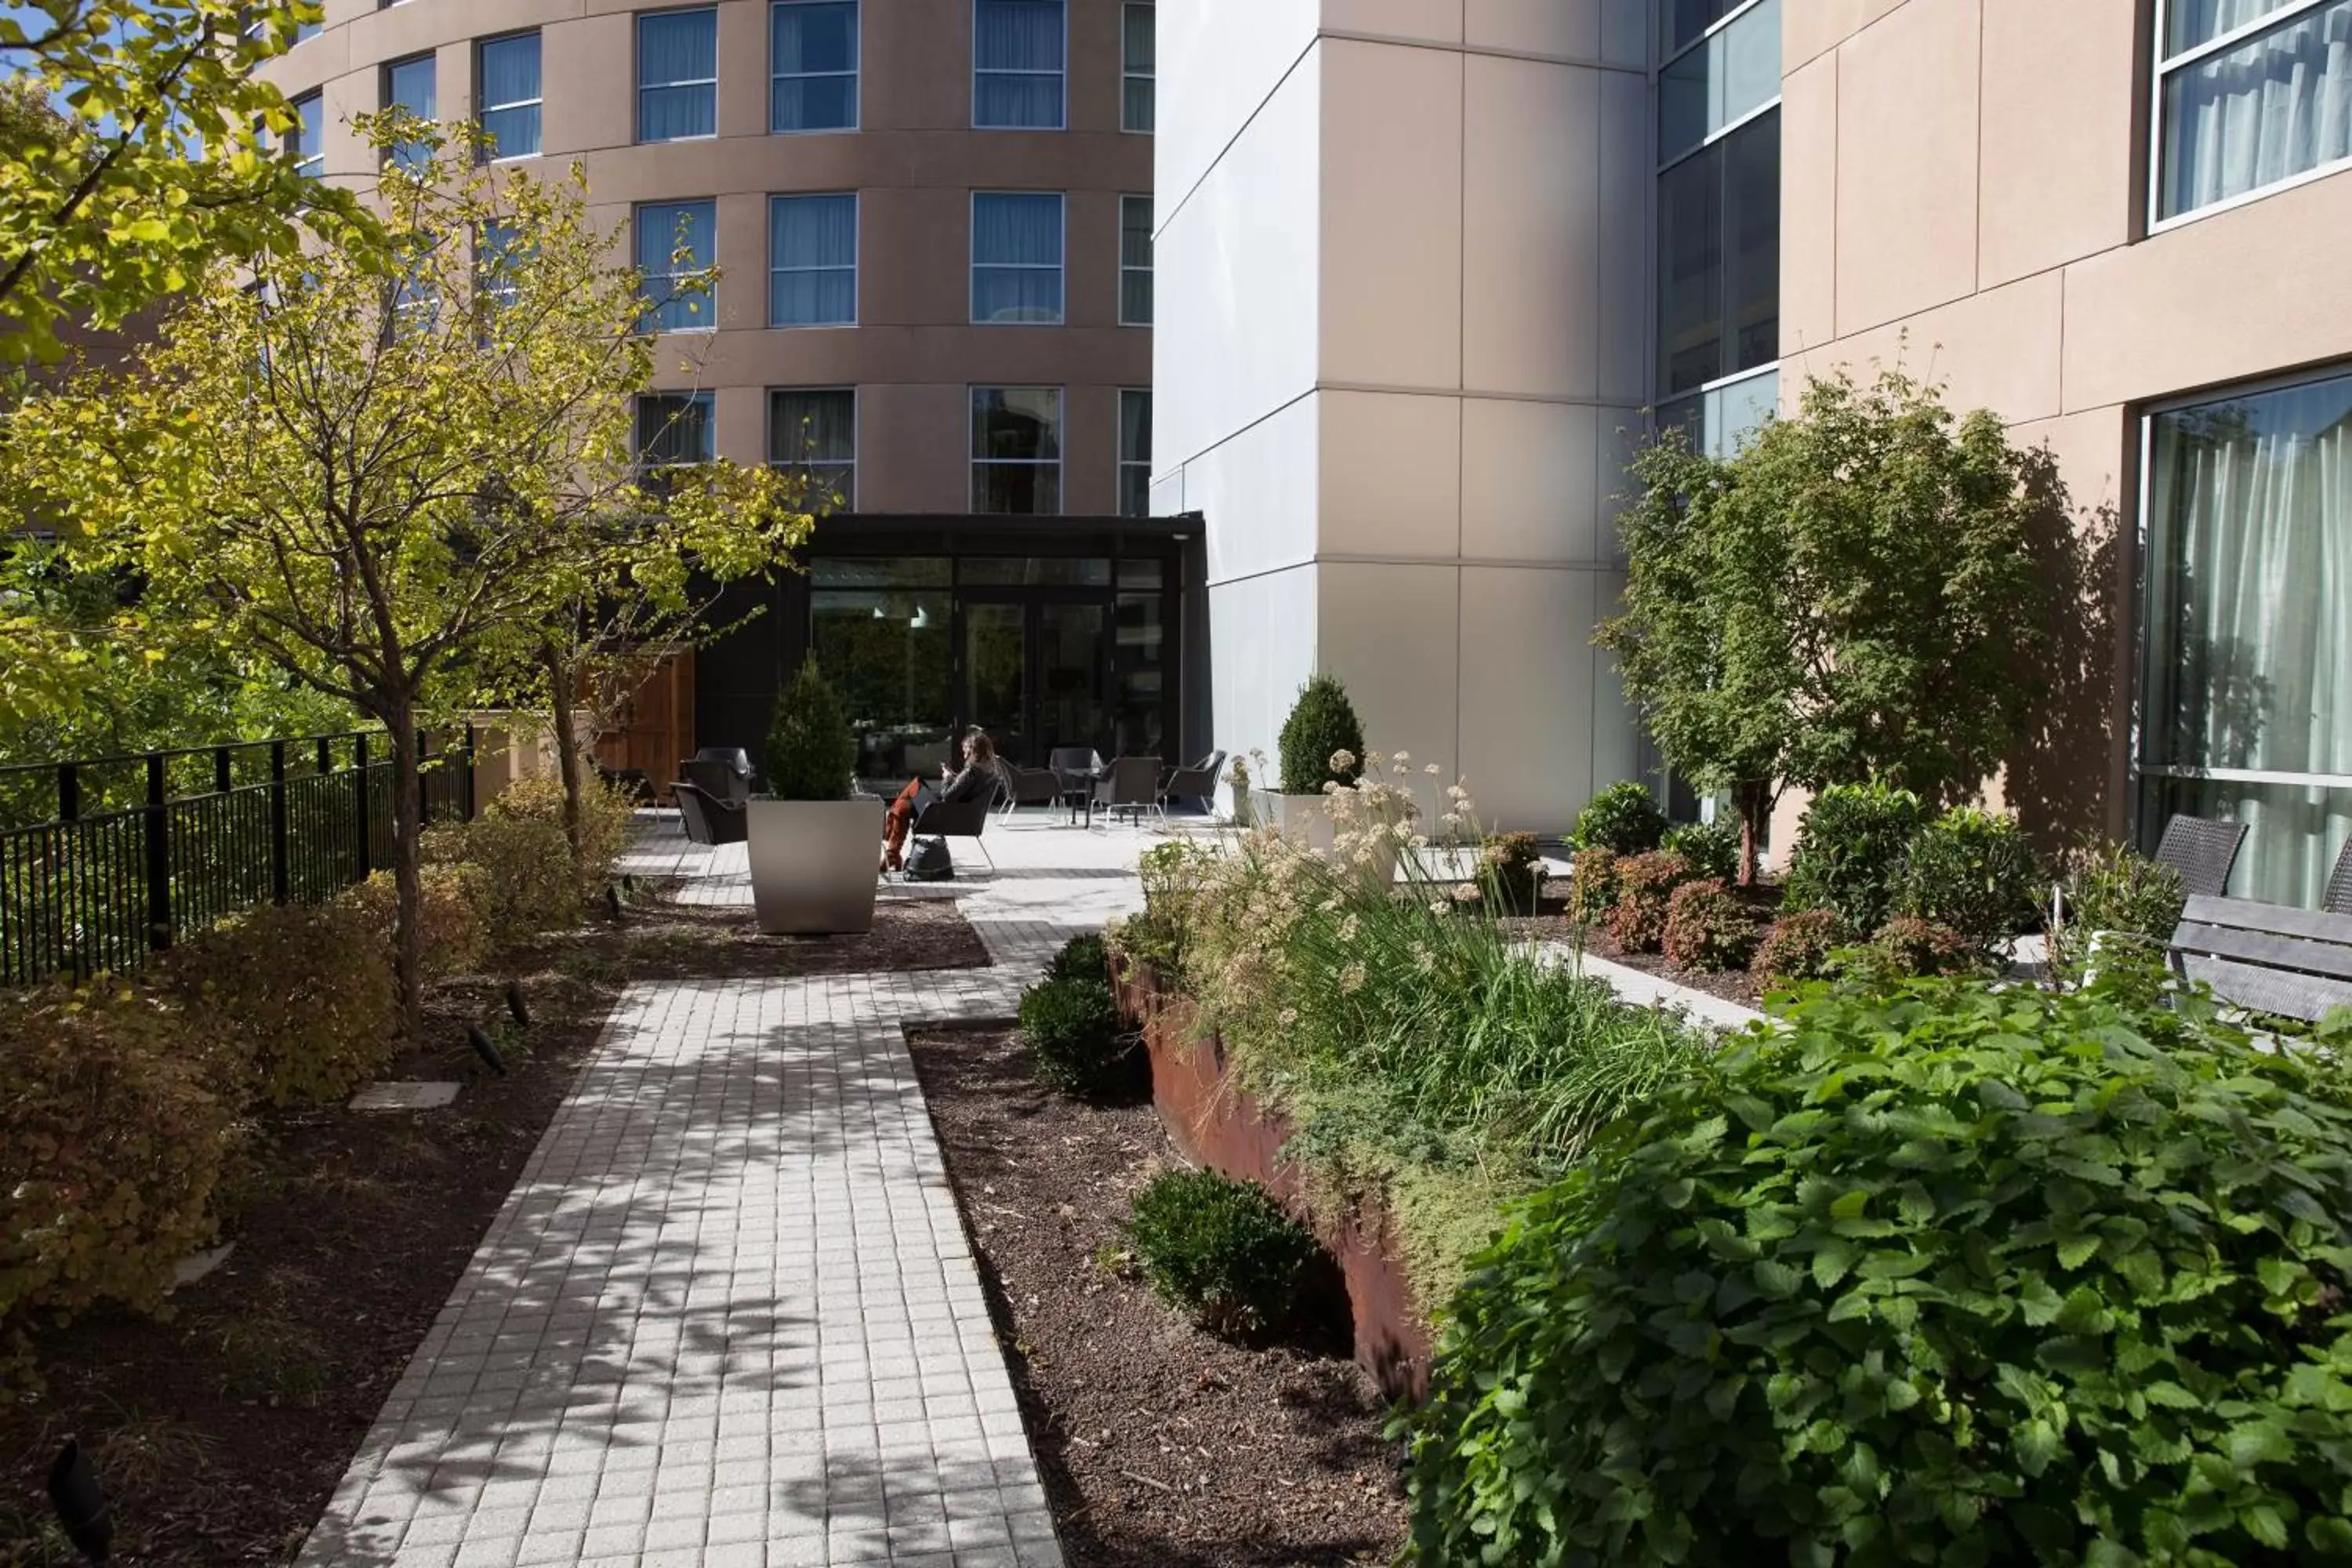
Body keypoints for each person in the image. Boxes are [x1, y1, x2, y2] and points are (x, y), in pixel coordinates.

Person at [881, 728, 999, 873]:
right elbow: (961, 793)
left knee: (905, 802)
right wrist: (956, 779)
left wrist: (947, 778)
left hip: (943, 816)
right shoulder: (987, 771)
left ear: (974, 751)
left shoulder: (971, 772)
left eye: (966, 750)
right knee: (905, 801)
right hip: (956, 814)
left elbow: (947, 797)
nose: (964, 755)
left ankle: (891, 847)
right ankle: (893, 853)